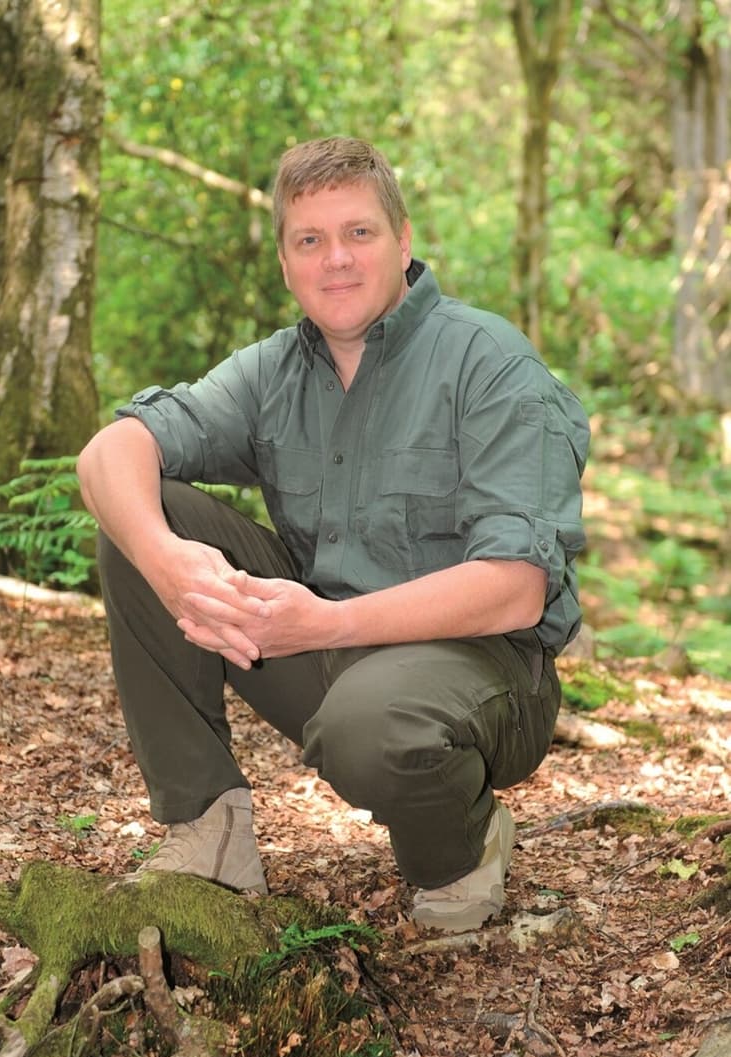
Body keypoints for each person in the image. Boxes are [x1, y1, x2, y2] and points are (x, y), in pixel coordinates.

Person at [77, 136, 589, 933]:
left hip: (483, 668)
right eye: (309, 240)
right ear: (285, 263)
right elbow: (111, 451)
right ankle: (209, 836)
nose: (335, 260)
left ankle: (464, 847)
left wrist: (328, 621)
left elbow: (517, 586)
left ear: (404, 240)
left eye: (359, 233)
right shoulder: (275, 370)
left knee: (373, 724)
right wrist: (167, 561)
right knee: (145, 517)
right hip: (323, 647)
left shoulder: (488, 362)